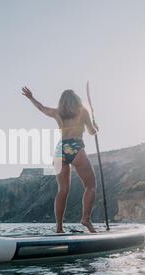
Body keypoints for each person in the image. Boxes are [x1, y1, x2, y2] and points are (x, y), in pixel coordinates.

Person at [22, 87, 99, 233]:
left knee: (62, 190)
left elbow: (41, 108)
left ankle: (59, 227)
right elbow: (91, 132)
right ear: (76, 100)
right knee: (91, 185)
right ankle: (86, 219)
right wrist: (95, 127)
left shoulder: (58, 112)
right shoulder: (83, 111)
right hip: (75, 147)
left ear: (62, 102)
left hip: (60, 150)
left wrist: (31, 97)